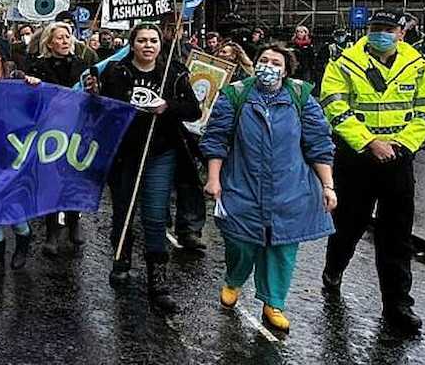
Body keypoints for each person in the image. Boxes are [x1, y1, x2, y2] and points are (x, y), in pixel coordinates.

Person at [200, 45, 337, 333]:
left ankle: (273, 303)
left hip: (289, 188)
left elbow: (319, 144)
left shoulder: (301, 98)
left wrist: (328, 185)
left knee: (282, 248)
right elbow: (216, 139)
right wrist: (214, 179)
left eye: (276, 62)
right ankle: (234, 280)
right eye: (263, 60)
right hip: (242, 184)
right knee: (240, 241)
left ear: (286, 70)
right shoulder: (235, 95)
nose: (268, 66)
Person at [319, 9, 425, 334]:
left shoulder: (418, 65)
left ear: (401, 32)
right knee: (348, 225)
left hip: (399, 158)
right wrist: (370, 142)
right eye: (375, 28)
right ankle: (334, 268)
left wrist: (403, 145)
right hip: (355, 158)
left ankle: (398, 305)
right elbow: (334, 106)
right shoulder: (343, 62)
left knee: (396, 236)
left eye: (387, 28)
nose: (381, 33)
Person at [99, 23, 202, 314]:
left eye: (153, 40)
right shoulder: (117, 72)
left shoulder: (174, 70)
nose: (148, 45)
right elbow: (105, 107)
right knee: (123, 210)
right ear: (132, 44)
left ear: (160, 44)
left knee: (156, 216)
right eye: (142, 40)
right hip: (125, 154)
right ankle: (121, 260)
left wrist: (166, 106)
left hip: (161, 152)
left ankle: (158, 281)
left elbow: (194, 110)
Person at [0, 36, 41, 282]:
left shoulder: (18, 79)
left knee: (14, 207)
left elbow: (36, 107)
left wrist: (34, 87)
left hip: (15, 152)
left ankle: (23, 242)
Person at [25, 22, 92, 255]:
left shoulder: (83, 65)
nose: (65, 41)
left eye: (68, 37)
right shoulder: (37, 66)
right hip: (50, 132)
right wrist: (31, 86)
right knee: (51, 182)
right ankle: (52, 232)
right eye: (60, 38)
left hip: (77, 130)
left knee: (74, 178)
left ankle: (74, 223)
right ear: (49, 42)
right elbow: (29, 102)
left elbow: (93, 96)